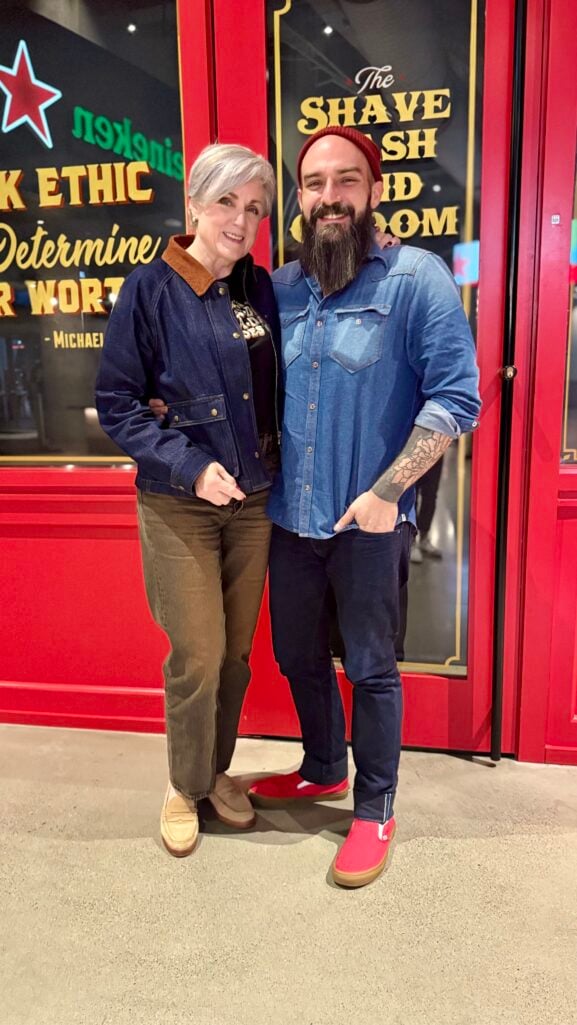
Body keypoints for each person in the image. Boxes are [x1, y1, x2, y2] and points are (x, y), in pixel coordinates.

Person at [248, 125, 481, 888]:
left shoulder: (416, 280)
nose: (328, 198)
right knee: (296, 655)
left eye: (345, 181)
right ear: (299, 200)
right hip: (288, 518)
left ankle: (375, 803)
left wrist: (388, 493)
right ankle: (323, 767)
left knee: (372, 667)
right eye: (314, 185)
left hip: (369, 523)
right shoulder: (277, 290)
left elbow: (456, 398)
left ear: (373, 191)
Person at [95, 144, 280, 857]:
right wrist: (191, 465)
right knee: (198, 652)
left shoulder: (260, 288)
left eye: (255, 207)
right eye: (228, 201)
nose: (240, 219)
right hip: (179, 502)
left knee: (235, 654)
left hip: (256, 499)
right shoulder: (149, 288)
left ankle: (214, 772)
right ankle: (182, 783)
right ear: (196, 203)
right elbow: (116, 403)